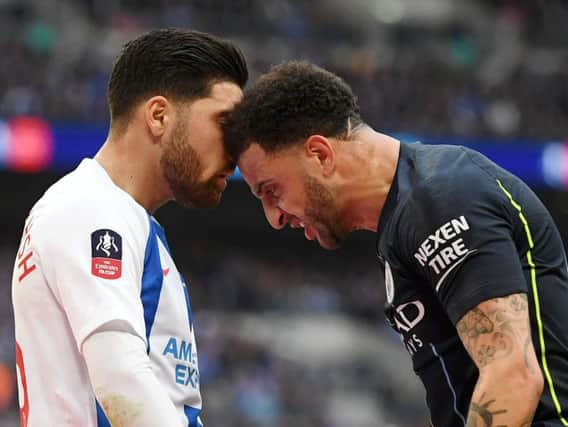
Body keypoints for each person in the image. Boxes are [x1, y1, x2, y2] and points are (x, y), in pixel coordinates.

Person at [223, 61, 568, 426]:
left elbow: (512, 375)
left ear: (320, 154)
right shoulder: (406, 220)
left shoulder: (441, 198)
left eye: (271, 190)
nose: (273, 218)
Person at [11, 29, 247, 427]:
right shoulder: (92, 207)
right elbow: (121, 379)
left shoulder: (123, 216)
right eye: (225, 124)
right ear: (159, 116)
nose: (236, 151)